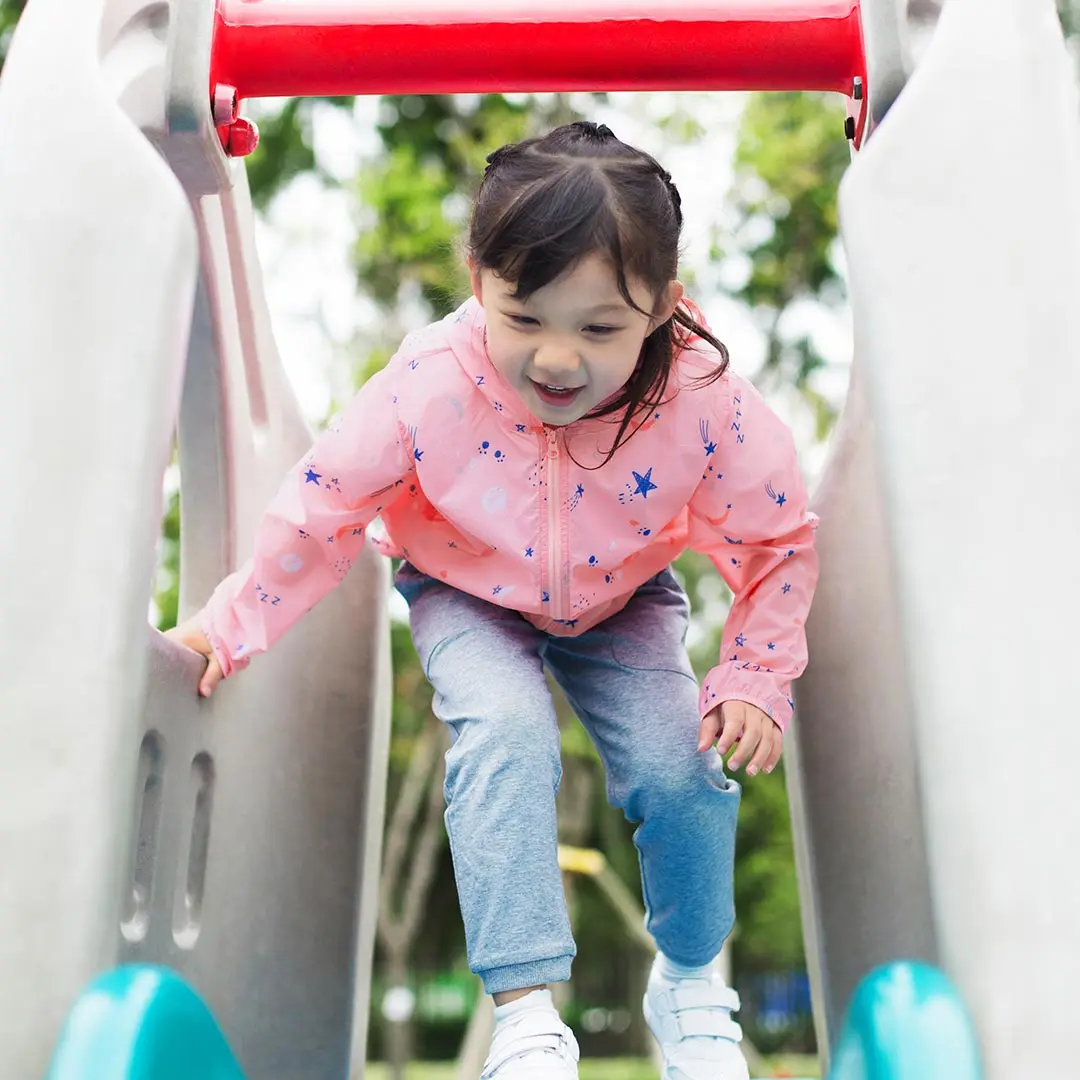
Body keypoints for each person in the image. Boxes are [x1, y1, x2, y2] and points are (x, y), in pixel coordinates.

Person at [168, 121, 819, 1080]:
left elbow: (778, 536)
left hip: (625, 598)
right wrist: (229, 624)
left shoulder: (700, 395)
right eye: (525, 317)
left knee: (683, 767)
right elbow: (324, 506)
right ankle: (525, 1018)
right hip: (465, 588)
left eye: (600, 328)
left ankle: (688, 983)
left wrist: (756, 673)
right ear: (479, 282)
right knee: (504, 738)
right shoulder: (432, 383)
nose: (558, 359)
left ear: (661, 308)